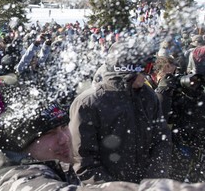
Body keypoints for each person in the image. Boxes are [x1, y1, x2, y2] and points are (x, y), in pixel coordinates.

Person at [69, 40, 172, 184]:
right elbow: (82, 160)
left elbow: (162, 140)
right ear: (126, 70)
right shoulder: (89, 103)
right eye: (145, 69)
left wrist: (154, 178)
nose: (148, 75)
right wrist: (115, 187)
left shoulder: (148, 96)